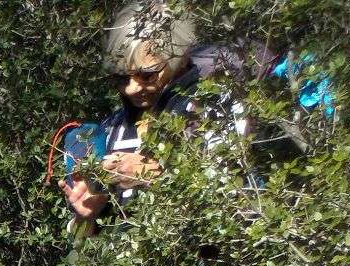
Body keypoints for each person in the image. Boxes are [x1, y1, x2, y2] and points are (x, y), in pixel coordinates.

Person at [59, 3, 254, 222]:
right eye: (121, 78)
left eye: (147, 75)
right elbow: (96, 233)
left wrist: (157, 175)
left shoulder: (218, 108)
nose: (131, 89)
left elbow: (236, 198)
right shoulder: (112, 128)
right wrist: (89, 215)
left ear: (180, 58)